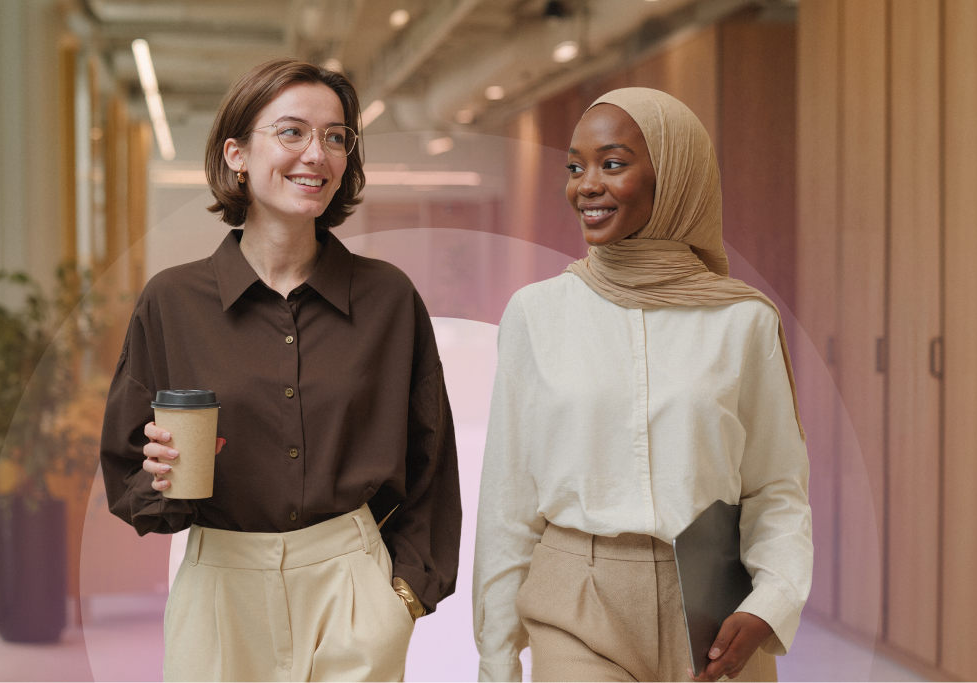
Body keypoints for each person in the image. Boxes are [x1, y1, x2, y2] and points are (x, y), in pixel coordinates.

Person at [100, 59, 461, 683]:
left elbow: (432, 463)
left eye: (336, 136)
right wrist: (159, 478)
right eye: (291, 132)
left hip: (353, 589)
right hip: (219, 587)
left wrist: (400, 598)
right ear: (237, 154)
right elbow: (127, 469)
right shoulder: (172, 302)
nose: (315, 154)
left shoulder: (389, 300)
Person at [472, 87, 812, 683]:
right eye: (575, 167)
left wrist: (772, 601)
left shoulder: (744, 320)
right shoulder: (536, 313)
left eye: (612, 163)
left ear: (675, 174)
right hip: (577, 599)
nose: (586, 185)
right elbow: (509, 502)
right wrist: (497, 657)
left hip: (715, 604)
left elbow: (776, 486)